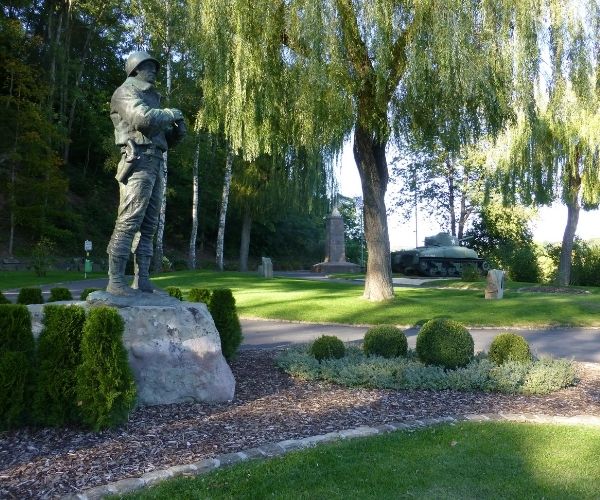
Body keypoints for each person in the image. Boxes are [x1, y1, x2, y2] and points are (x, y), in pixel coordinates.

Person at [106, 51, 186, 296]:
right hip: (137, 160)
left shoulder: (152, 98)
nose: (153, 70)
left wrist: (177, 131)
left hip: (155, 161)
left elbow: (162, 138)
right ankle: (115, 281)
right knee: (129, 220)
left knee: (150, 225)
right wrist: (172, 114)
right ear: (135, 69)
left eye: (154, 66)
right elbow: (143, 120)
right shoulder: (125, 92)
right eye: (148, 66)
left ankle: (143, 279)